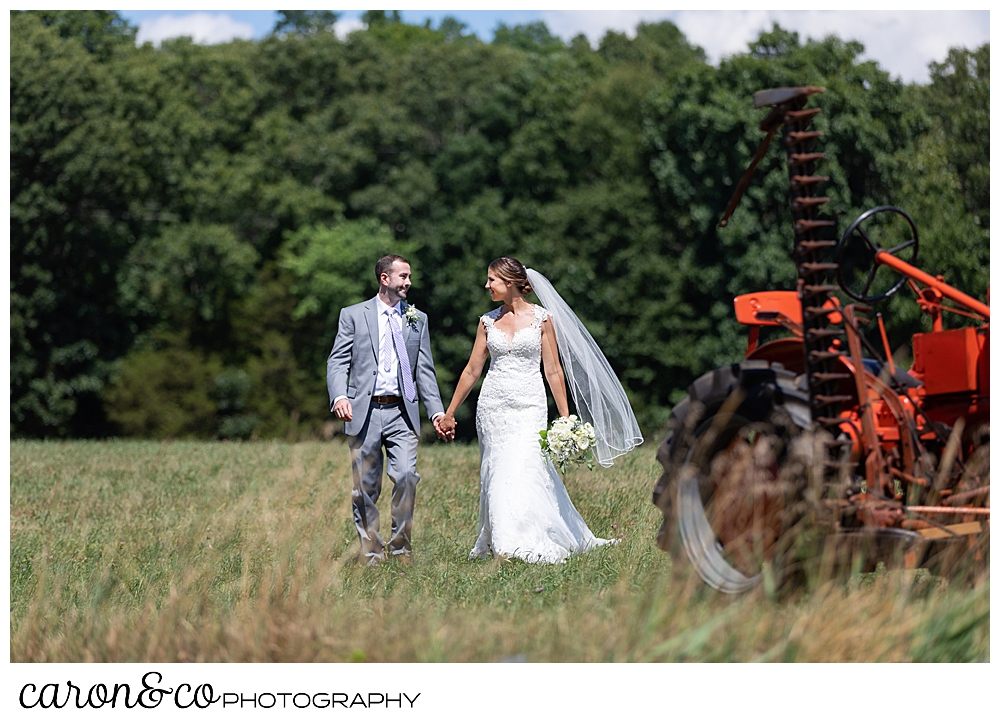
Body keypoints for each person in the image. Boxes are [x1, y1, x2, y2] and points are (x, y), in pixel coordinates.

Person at [439, 257, 642, 563]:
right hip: (493, 408)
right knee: (496, 471)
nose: (487, 285)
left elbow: (554, 370)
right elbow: (471, 370)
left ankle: (517, 541)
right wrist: (450, 411)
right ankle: (500, 539)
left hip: (529, 406)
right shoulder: (487, 322)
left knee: (524, 468)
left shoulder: (542, 320)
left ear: (509, 283)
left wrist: (564, 417)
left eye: (492, 280)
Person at [327, 254, 450, 566]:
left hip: (402, 411)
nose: (408, 282)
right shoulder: (353, 315)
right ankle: (371, 552)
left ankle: (401, 548)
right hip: (363, 412)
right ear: (385, 279)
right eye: (403, 276)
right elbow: (338, 360)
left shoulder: (416, 318)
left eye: (408, 277)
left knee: (407, 476)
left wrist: (436, 412)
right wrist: (340, 396)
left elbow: (425, 369)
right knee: (365, 487)